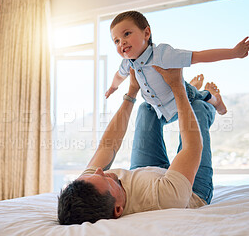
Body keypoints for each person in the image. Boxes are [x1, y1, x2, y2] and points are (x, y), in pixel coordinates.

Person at [58, 66, 223, 225]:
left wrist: (131, 92)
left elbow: (107, 146)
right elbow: (191, 148)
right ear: (118, 209)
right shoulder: (164, 199)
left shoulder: (88, 184)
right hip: (192, 189)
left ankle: (192, 95)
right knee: (198, 109)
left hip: (146, 174)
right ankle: (209, 101)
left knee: (147, 109)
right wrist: (178, 87)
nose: (100, 171)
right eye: (106, 180)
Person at [105, 10, 249, 117]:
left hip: (182, 96)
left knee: (199, 95)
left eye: (127, 34)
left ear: (146, 33)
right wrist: (113, 87)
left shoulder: (163, 55)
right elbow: (119, 76)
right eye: (116, 41)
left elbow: (199, 56)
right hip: (159, 106)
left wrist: (233, 53)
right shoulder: (127, 64)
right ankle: (191, 84)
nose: (121, 42)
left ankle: (216, 100)